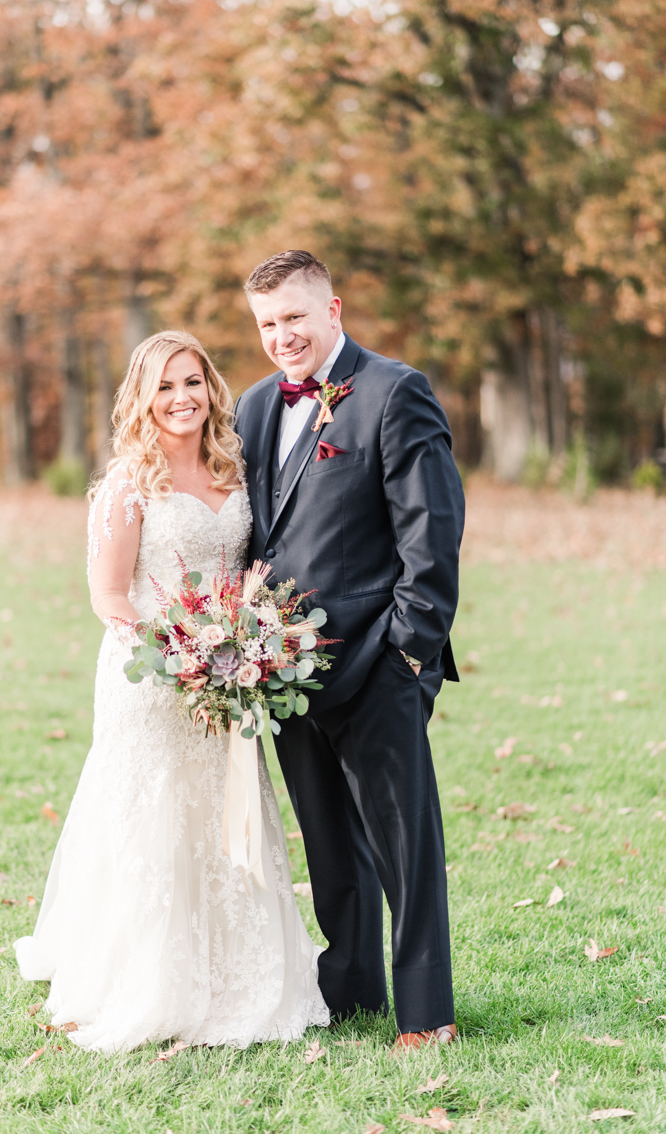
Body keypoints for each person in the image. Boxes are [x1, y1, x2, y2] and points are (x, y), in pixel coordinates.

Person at [14, 330, 329, 1052]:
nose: (181, 398)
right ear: (143, 398)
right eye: (164, 386)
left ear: (210, 388)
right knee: (154, 817)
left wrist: (242, 646)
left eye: (191, 382)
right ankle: (150, 976)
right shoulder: (130, 481)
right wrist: (179, 657)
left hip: (231, 672)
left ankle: (244, 969)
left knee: (229, 810)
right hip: (151, 673)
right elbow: (108, 594)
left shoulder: (235, 468)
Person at [234, 251, 465, 1051]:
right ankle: (354, 989)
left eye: (295, 317)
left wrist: (410, 651)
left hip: (379, 662)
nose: (281, 336)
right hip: (285, 671)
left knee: (406, 848)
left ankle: (428, 1012)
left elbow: (431, 534)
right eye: (267, 323)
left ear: (333, 310)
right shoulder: (256, 407)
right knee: (330, 845)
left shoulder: (395, 391)